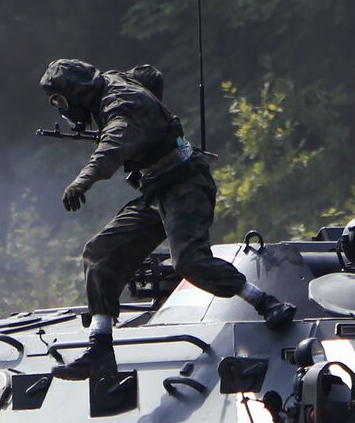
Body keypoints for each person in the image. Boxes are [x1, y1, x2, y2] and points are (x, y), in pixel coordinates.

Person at [40, 58, 296, 381]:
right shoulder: (112, 83)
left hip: (186, 185)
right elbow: (150, 74)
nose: (63, 110)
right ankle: (100, 349)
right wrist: (153, 119)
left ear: (77, 92)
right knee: (99, 254)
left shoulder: (120, 107)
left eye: (62, 101)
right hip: (157, 190)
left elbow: (110, 149)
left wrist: (82, 182)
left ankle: (265, 302)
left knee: (189, 261)